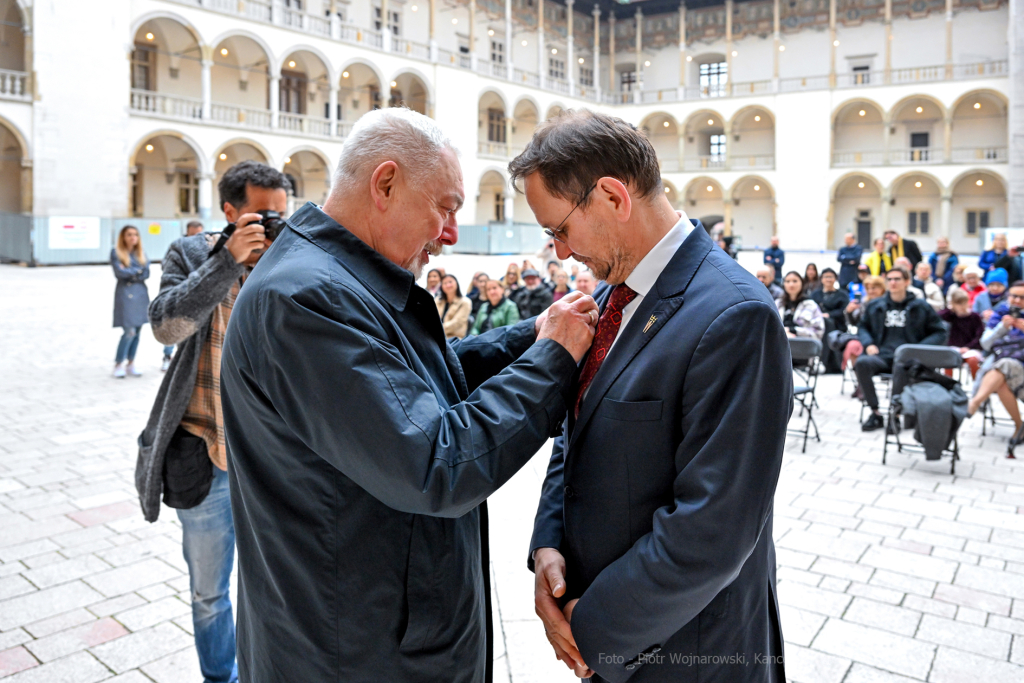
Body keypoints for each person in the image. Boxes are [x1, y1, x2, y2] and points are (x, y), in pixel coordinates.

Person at [219, 108, 599, 683]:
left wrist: (539, 333)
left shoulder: (337, 277)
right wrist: (553, 359)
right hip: (355, 654)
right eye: (445, 208)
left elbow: (430, 386)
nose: (450, 233)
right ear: (386, 184)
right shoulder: (303, 298)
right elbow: (435, 461)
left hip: (388, 636)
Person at [514, 109, 790, 682]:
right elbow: (576, 431)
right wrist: (548, 545)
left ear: (613, 197)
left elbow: (711, 529)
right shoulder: (617, 294)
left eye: (560, 229)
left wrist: (591, 625)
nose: (560, 253)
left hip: (686, 651)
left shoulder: (734, 315)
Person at [135, 160, 292, 683]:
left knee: (273, 588)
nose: (271, 226)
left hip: (270, 461)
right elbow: (166, 326)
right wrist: (227, 260)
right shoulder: (191, 252)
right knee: (209, 593)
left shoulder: (291, 258)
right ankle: (219, 678)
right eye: (260, 215)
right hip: (204, 454)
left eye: (280, 215)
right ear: (229, 210)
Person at [855, 266, 947, 432]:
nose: (893, 282)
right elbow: (863, 327)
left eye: (897, 279)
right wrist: (868, 344)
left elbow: (940, 332)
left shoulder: (921, 306)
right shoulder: (876, 305)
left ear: (907, 282)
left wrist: (917, 349)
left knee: (901, 367)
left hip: (908, 359)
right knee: (862, 363)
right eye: (889, 279)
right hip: (882, 355)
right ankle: (875, 413)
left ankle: (895, 415)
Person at [111, 225, 150, 379]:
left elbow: (146, 273)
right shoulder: (116, 252)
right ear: (123, 237)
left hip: (140, 294)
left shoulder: (141, 253)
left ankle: (131, 363)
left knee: (138, 331)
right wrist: (137, 271)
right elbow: (120, 273)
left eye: (135, 234)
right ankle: (118, 363)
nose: (133, 237)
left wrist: (132, 271)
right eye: (129, 234)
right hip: (125, 294)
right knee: (129, 331)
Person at [939, 287, 984, 379]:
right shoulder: (950, 316)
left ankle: (977, 385)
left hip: (971, 349)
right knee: (947, 360)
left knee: (973, 360)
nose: (962, 306)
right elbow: (938, 316)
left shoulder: (975, 317)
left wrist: (968, 347)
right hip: (953, 348)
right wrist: (951, 310)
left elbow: (979, 336)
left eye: (964, 303)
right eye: (959, 304)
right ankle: (948, 385)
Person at [778, 271, 825, 339]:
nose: (791, 284)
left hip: (803, 344)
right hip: (779, 342)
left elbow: (818, 332)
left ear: (802, 283)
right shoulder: (778, 303)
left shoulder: (810, 305)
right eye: (787, 281)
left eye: (795, 281)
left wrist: (793, 330)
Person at [812, 268, 850, 332]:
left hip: (837, 326)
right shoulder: (815, 294)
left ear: (835, 279)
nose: (828, 279)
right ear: (821, 279)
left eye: (831, 277)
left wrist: (829, 314)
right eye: (826, 277)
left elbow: (844, 310)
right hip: (818, 325)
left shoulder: (843, 294)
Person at [436, 273, 471, 339]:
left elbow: (457, 322)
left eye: (450, 282)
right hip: (436, 336)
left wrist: (437, 329)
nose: (448, 285)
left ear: (456, 284)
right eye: (445, 283)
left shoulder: (465, 302)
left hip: (454, 339)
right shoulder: (438, 300)